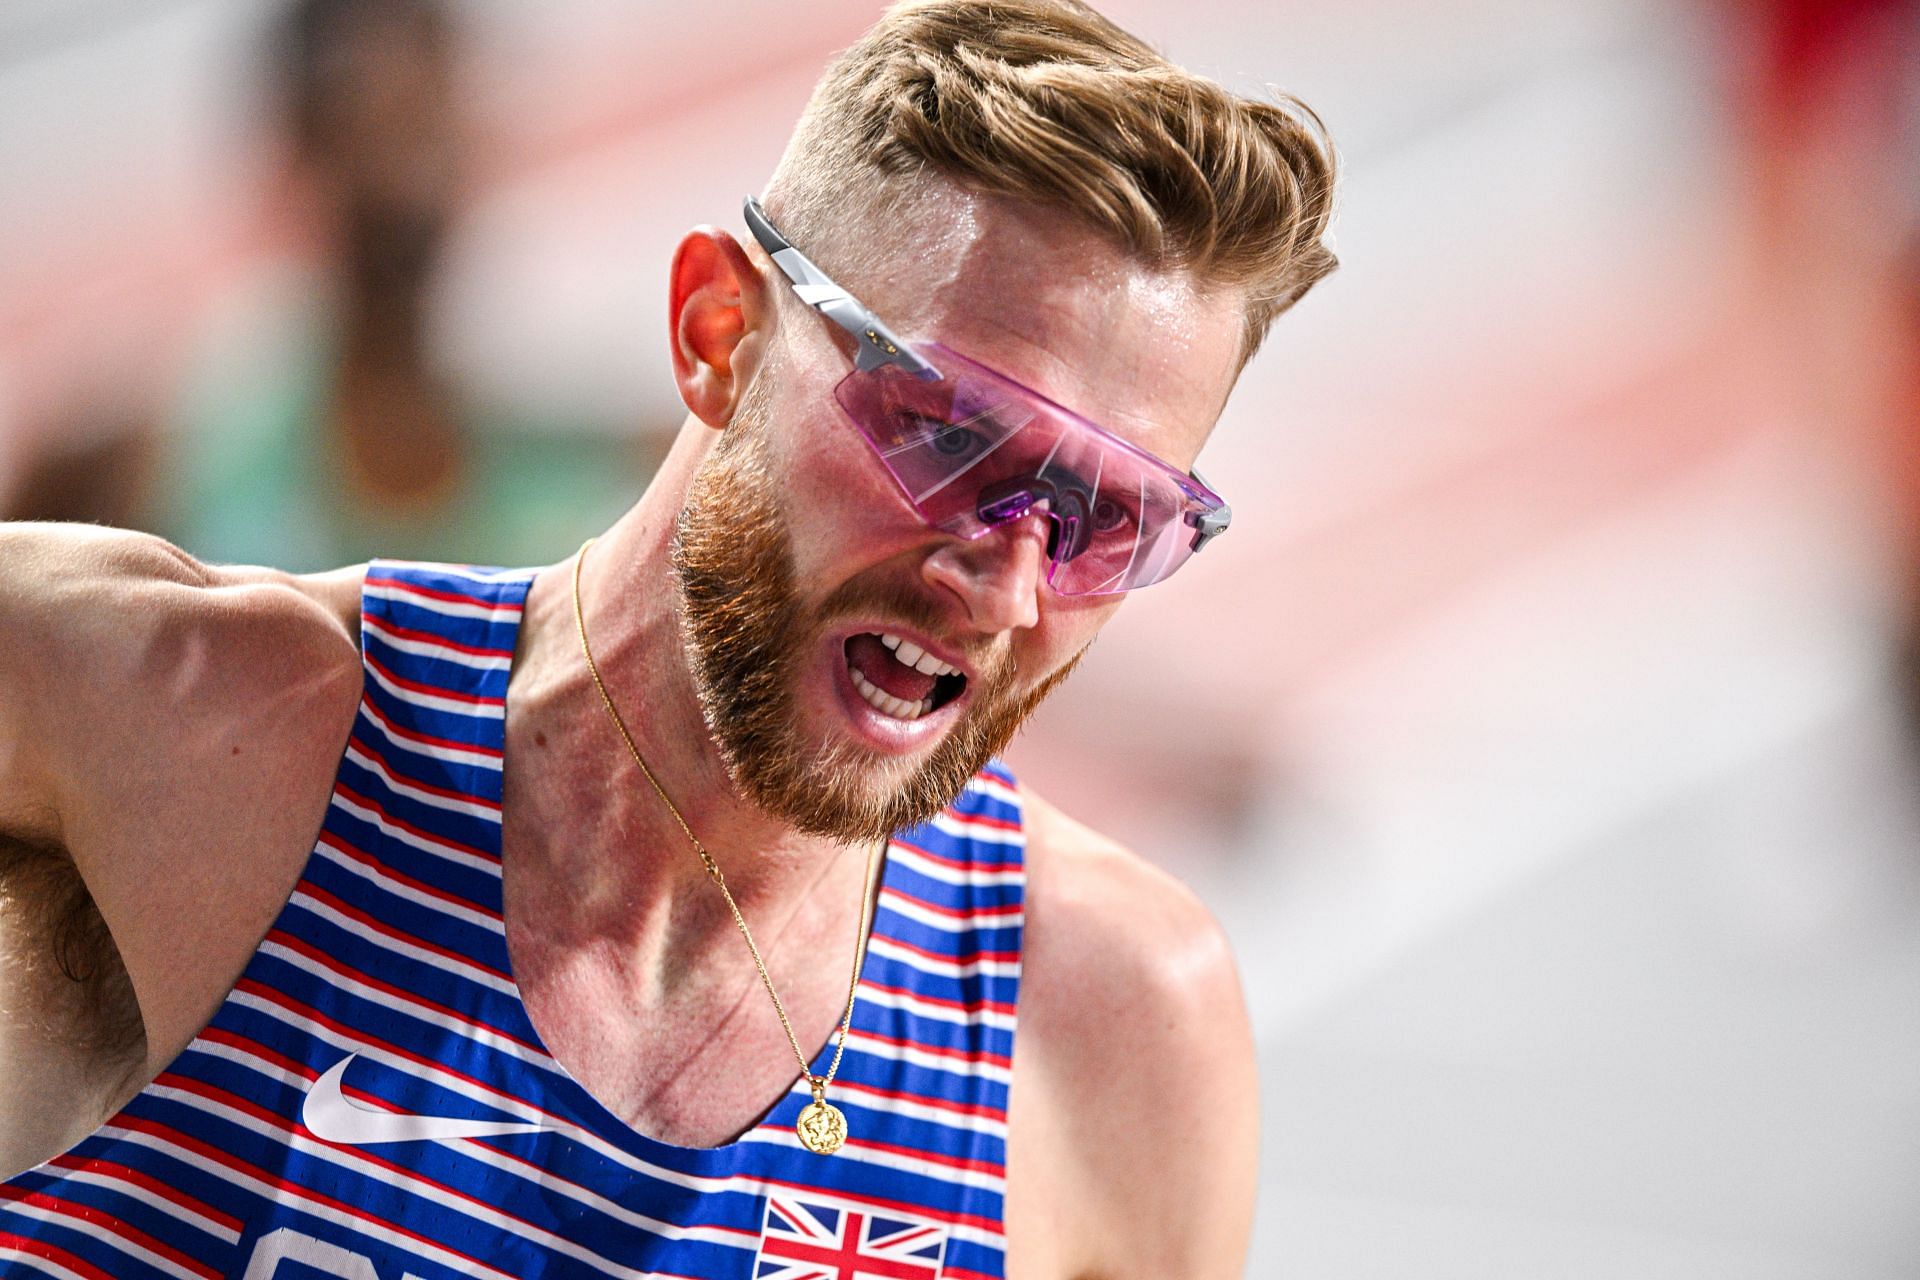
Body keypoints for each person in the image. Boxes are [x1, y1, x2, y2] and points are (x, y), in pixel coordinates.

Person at [0, 1, 1336, 1275]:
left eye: (1110, 517)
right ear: (720, 334)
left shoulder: (1117, 1030)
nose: (1006, 582)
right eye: (946, 433)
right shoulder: (155, 720)